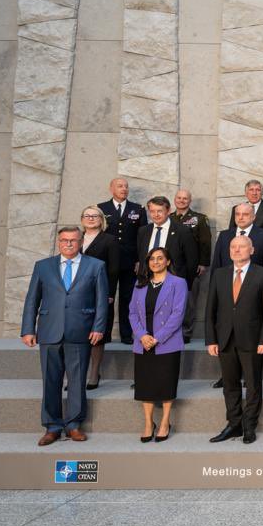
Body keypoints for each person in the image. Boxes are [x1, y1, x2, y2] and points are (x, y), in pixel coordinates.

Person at [20, 226, 108, 446]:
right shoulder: (43, 266)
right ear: (59, 242)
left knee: (77, 381)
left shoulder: (96, 266)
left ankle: (73, 425)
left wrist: (98, 327)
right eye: (64, 240)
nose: (68, 244)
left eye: (73, 240)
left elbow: (101, 300)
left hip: (81, 330)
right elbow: (32, 299)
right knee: (51, 380)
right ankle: (52, 426)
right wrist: (28, 329)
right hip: (49, 331)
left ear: (81, 242)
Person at [207, 236, 263, 445]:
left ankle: (249, 426)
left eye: (241, 246)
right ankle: (234, 424)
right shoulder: (219, 274)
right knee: (230, 385)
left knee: (253, 385)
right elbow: (211, 309)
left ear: (251, 249)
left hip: (253, 340)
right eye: (233, 247)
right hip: (225, 339)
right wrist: (211, 339)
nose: (237, 250)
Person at [129, 247, 187, 443]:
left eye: (160, 258)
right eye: (152, 259)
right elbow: (132, 314)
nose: (155, 262)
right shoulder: (140, 284)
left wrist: (157, 338)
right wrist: (142, 335)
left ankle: (164, 422)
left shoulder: (178, 283)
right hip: (143, 342)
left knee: (165, 383)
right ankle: (148, 423)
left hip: (166, 342)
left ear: (168, 262)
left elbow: (178, 314)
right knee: (145, 385)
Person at [98, 177, 147, 344]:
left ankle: (126, 335)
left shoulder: (138, 209)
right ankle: (105, 333)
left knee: (127, 298)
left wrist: (140, 260)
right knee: (107, 296)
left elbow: (143, 237)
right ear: (111, 188)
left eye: (126, 186)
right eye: (120, 186)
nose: (124, 189)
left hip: (129, 262)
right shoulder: (101, 208)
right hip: (106, 262)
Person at [80, 205, 119, 389]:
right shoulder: (75, 238)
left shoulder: (109, 240)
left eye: (95, 216)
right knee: (79, 334)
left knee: (97, 334)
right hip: (77, 294)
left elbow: (113, 270)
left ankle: (94, 373)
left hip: (100, 293)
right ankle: (78, 374)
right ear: (82, 219)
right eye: (87, 216)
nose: (90, 218)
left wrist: (109, 294)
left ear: (101, 219)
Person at [172, 189, 211, 343]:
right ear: (175, 200)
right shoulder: (168, 218)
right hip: (171, 267)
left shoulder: (199, 219)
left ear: (190, 200)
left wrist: (203, 263)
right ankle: (171, 331)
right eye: (179, 198)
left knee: (189, 301)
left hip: (191, 267)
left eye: (185, 198)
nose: (182, 201)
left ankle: (185, 333)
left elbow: (205, 243)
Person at [136, 196, 198, 289]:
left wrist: (185, 285)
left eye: (159, 211)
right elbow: (141, 258)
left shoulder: (183, 231)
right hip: (146, 282)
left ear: (168, 211)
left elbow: (191, 262)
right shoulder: (143, 231)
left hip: (173, 284)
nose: (156, 214)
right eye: (152, 211)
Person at [210, 202, 263, 273]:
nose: (240, 217)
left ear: (253, 217)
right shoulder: (224, 235)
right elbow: (216, 264)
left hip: (254, 282)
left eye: (245, 214)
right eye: (237, 214)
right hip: (226, 282)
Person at [229, 179, 263, 248]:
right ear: (246, 193)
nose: (254, 193)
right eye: (251, 190)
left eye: (258, 190)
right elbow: (231, 233)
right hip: (238, 252)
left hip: (260, 253)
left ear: (261, 193)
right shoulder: (237, 208)